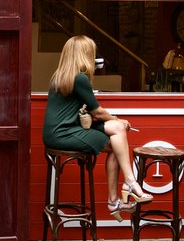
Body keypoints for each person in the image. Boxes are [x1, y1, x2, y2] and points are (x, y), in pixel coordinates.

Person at [42, 35, 152, 221]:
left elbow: (90, 115)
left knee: (117, 135)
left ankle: (119, 195)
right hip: (65, 133)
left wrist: (117, 123)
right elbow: (98, 113)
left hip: (58, 132)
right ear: (85, 55)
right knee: (117, 141)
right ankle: (126, 187)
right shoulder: (80, 78)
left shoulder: (60, 76)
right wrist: (118, 119)